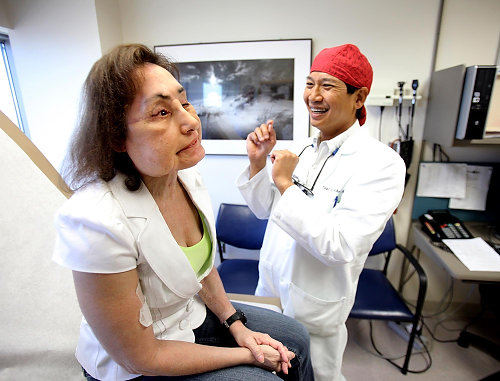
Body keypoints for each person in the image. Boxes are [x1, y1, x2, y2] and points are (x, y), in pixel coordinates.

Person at [53, 44, 314, 381]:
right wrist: (247, 355)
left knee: (297, 340)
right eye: (161, 112)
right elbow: (141, 357)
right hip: (139, 362)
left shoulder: (186, 176)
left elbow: (201, 271)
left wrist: (237, 325)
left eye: (184, 102)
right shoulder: (95, 220)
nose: (191, 121)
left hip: (188, 316)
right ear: (117, 137)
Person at [237, 44, 406, 381]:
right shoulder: (300, 148)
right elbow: (263, 210)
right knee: (266, 374)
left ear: (359, 98)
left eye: (328, 86)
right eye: (310, 83)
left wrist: (285, 183)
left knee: (312, 375)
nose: (314, 95)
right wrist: (258, 162)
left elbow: (340, 245)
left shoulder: (382, 164)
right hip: (269, 296)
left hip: (315, 309)